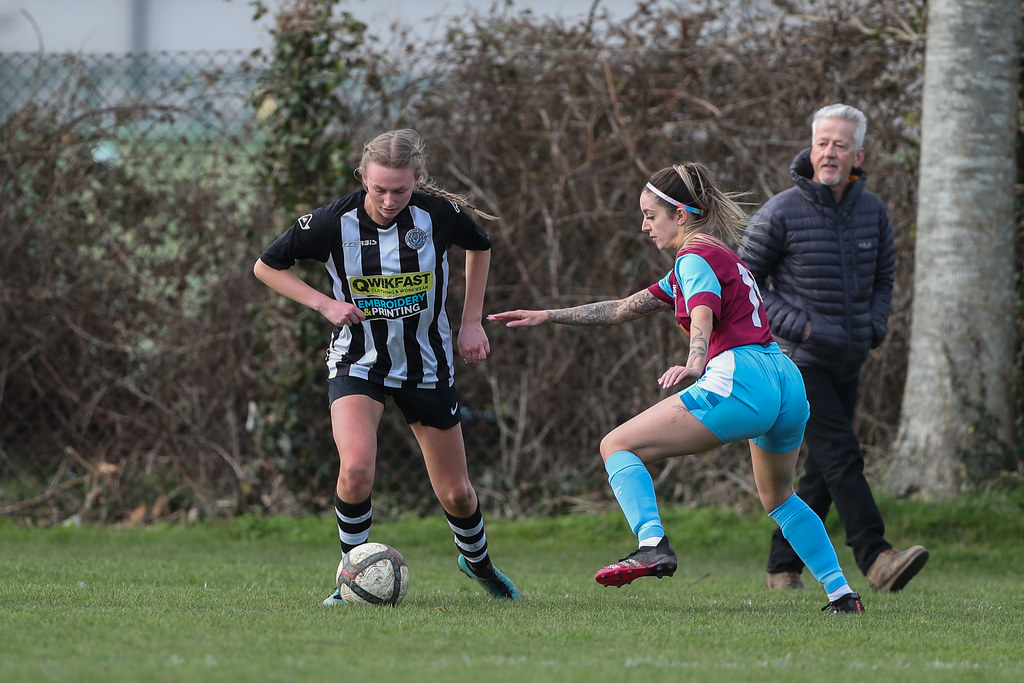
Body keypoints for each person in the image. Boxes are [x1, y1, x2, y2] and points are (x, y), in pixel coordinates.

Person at [490, 162, 864, 614]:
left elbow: (703, 310)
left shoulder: (693, 258)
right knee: (781, 497)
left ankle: (652, 544)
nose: (644, 225)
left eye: (651, 215)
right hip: (785, 380)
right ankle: (842, 594)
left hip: (739, 378)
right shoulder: (715, 255)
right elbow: (624, 308)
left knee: (616, 445)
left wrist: (695, 361)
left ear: (681, 215)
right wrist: (548, 315)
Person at [254, 129, 522, 605]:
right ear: (362, 177)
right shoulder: (332, 222)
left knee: (458, 494)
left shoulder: (438, 214)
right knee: (355, 470)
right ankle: (350, 580)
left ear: (418, 179)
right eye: (379, 188)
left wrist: (471, 322)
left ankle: (478, 565)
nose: (389, 198)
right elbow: (266, 266)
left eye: (400, 189)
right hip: (358, 361)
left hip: (428, 364)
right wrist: (324, 304)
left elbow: (480, 246)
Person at [738, 103, 928, 593]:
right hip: (797, 361)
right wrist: (797, 327)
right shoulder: (782, 210)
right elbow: (743, 282)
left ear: (857, 154)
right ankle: (876, 556)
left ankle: (783, 567)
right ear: (811, 147)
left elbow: (885, 276)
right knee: (843, 454)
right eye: (822, 142)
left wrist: (874, 326)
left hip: (850, 358)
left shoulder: (874, 211)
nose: (829, 152)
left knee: (823, 469)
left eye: (840, 145)